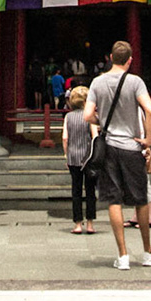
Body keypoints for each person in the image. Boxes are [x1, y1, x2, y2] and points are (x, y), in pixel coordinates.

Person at [84, 40, 151, 270]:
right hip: (131, 146)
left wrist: (102, 121)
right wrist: (148, 138)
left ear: (110, 57)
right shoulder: (135, 81)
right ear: (130, 60)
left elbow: (87, 115)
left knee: (114, 199)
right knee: (140, 199)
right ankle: (147, 252)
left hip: (109, 147)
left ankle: (123, 255)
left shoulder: (97, 82)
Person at [62, 84, 97, 234]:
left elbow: (65, 137)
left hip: (73, 157)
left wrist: (66, 154)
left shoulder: (68, 117)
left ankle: (77, 224)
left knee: (76, 191)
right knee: (90, 191)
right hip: (88, 157)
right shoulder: (89, 117)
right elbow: (95, 136)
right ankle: (90, 224)